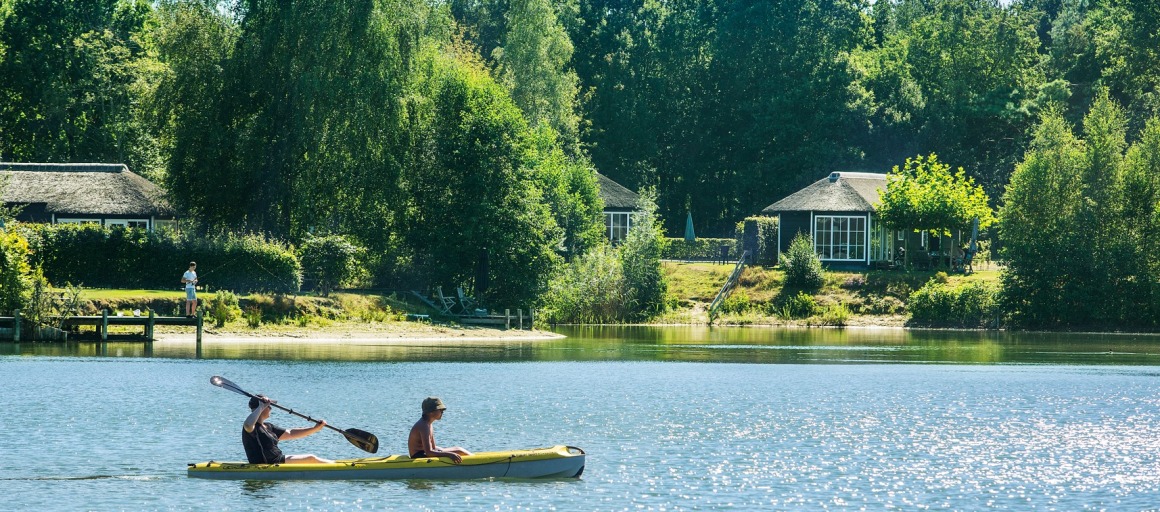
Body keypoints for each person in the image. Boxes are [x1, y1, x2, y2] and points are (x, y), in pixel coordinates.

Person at [243, 394, 333, 465]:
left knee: (311, 458)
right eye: (269, 406)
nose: (270, 408)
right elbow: (247, 424)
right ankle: (337, 468)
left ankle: (334, 464)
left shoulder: (269, 426)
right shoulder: (252, 427)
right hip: (269, 463)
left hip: (277, 460)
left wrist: (315, 428)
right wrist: (261, 407)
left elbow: (290, 433)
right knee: (311, 458)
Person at [408, 397, 472, 463]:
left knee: (458, 449)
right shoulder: (424, 426)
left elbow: (433, 447)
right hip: (418, 456)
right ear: (431, 412)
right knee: (459, 451)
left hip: (424, 452)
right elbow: (429, 452)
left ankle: (473, 458)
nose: (442, 412)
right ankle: (473, 462)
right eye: (440, 410)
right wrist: (450, 455)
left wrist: (444, 451)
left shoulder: (429, 424)